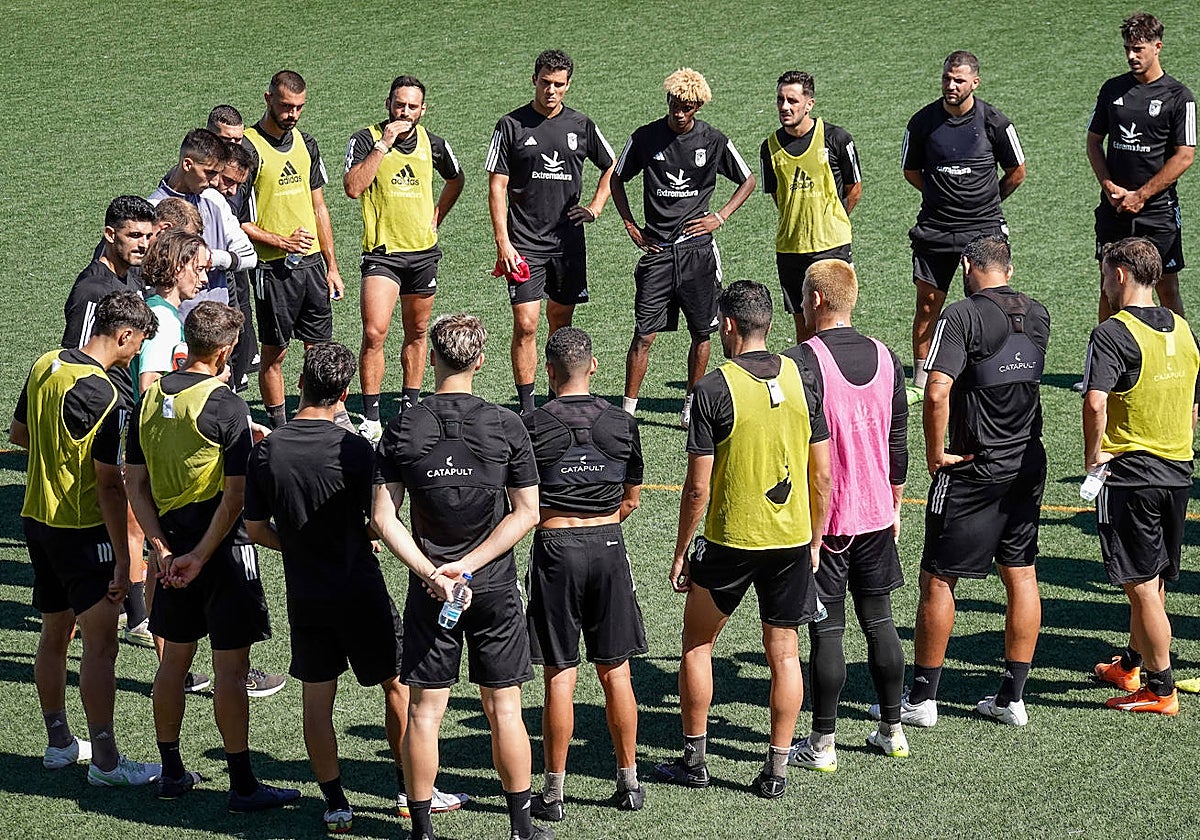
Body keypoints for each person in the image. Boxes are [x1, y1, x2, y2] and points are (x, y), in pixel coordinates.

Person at [244, 342, 466, 832]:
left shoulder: (267, 451)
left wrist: (299, 547)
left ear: (299, 384)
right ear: (344, 392)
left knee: (317, 699)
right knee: (398, 687)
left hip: (306, 593)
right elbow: (378, 523)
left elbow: (257, 529)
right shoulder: (356, 449)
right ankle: (412, 794)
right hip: (360, 588)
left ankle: (335, 803)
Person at [372, 314, 552, 840]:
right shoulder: (506, 424)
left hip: (432, 592)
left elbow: (385, 520)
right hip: (493, 586)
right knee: (504, 709)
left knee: (426, 712)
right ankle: (520, 828)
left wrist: (434, 572)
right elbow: (527, 513)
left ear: (432, 359)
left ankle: (422, 831)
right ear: (479, 360)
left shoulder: (404, 426)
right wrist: (469, 566)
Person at [656, 280, 830, 799]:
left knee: (697, 644)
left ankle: (695, 761)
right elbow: (822, 476)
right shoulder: (804, 377)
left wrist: (683, 547)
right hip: (792, 541)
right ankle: (775, 771)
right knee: (784, 653)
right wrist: (815, 538)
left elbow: (697, 488)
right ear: (769, 323)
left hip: (731, 540)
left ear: (728, 325)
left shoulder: (714, 388)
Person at [125, 301, 300, 810]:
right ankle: (243, 785)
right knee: (230, 671)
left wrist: (161, 549)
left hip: (171, 551)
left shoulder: (151, 395)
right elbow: (235, 499)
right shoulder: (226, 408)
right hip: (220, 556)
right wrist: (200, 555)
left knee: (173, 664)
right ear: (224, 352)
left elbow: (135, 483)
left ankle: (172, 771)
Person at [887, 233, 1047, 729]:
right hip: (1027, 460)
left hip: (973, 467)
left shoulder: (960, 315)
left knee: (938, 576)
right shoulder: (1038, 313)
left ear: (966, 266)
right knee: (1020, 572)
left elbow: (936, 392)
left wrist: (936, 454)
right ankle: (1012, 697)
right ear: (1010, 268)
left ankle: (922, 699)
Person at [12, 290, 162, 786]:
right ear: (124, 334)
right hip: (82, 532)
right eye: (138, 343)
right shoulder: (106, 396)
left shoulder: (45, 364)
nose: (136, 351)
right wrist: (126, 560)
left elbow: (19, 434)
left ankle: (59, 744)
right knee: (100, 648)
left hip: (37, 520)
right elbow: (108, 484)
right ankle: (106, 762)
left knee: (54, 636)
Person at [785, 259, 909, 771]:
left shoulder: (801, 361)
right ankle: (892, 731)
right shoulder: (888, 356)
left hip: (827, 523)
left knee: (828, 632)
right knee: (880, 622)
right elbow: (897, 441)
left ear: (815, 300)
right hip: (878, 514)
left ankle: (823, 743)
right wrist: (895, 504)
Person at [522, 327, 647, 820]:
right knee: (617, 670)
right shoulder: (620, 421)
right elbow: (631, 498)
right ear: (593, 367)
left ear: (548, 373)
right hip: (608, 545)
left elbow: (521, 501)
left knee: (560, 675)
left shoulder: (531, 424)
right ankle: (629, 784)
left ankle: (552, 794)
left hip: (555, 551)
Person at [1082, 237, 1200, 715]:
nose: (1105, 284)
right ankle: (1132, 662)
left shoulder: (1113, 333)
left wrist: (1094, 456)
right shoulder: (1184, 329)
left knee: (1140, 583)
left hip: (1131, 473)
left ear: (1122, 274)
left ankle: (1161, 686)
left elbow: (1095, 401)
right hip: (1178, 468)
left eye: (1106, 274)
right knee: (1153, 578)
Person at [611, 68, 756, 428]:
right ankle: (628, 410)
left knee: (702, 332)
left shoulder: (713, 140)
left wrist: (718, 217)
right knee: (644, 334)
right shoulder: (645, 138)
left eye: (688, 107)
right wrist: (630, 224)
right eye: (675, 105)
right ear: (668, 101)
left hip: (697, 253)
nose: (680, 113)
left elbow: (748, 178)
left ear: (698, 107)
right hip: (657, 253)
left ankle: (691, 405)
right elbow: (616, 177)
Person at [486, 49, 616, 415]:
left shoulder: (581, 125)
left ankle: (555, 399)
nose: (551, 90)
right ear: (534, 80)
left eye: (559, 85)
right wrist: (503, 242)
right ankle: (527, 410)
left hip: (568, 243)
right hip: (523, 244)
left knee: (561, 322)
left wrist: (595, 207)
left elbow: (612, 167)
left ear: (568, 85)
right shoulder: (511, 125)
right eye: (545, 82)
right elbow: (497, 185)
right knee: (526, 324)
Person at [345, 74, 465, 440]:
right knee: (374, 332)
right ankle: (372, 417)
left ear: (423, 109)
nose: (406, 112)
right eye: (400, 104)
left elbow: (456, 179)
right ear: (388, 104)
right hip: (383, 255)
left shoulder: (435, 144)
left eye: (413, 106)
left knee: (416, 333)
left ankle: (410, 407)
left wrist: (437, 216)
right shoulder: (365, 139)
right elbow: (352, 188)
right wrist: (383, 144)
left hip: (423, 254)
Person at [902, 51, 1026, 403]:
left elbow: (1017, 171)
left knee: (990, 303)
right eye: (946, 78)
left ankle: (994, 369)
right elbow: (911, 171)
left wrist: (989, 202)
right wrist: (940, 196)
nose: (951, 85)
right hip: (937, 228)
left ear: (975, 82)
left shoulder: (994, 123)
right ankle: (922, 380)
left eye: (959, 80)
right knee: (928, 304)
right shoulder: (923, 122)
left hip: (983, 228)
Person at [239, 69, 343, 428]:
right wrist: (281, 242)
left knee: (318, 350)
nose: (292, 114)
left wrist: (331, 265)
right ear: (268, 99)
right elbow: (238, 221)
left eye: (298, 107)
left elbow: (319, 207)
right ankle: (282, 427)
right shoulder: (248, 148)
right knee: (275, 352)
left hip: (312, 265)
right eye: (285, 106)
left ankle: (316, 419)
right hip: (272, 269)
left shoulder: (306, 143)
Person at [1087, 13, 1195, 322]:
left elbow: (1184, 155)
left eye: (1139, 49)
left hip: (1157, 211)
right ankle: (1106, 361)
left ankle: (1182, 361)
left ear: (1157, 46)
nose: (1131, 56)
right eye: (1127, 49)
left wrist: (1142, 195)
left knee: (1166, 287)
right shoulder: (1112, 90)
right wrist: (1108, 185)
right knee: (1109, 286)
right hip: (1115, 207)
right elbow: (1094, 141)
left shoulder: (1179, 96)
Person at [759, 71, 863, 343]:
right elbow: (778, 197)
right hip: (791, 249)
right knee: (804, 325)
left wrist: (831, 219)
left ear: (809, 103)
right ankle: (811, 383)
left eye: (792, 100)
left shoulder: (837, 139)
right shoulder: (768, 147)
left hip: (831, 246)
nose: (784, 106)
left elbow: (854, 190)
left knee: (836, 322)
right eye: (780, 99)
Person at [149, 128, 258, 316]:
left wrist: (211, 258)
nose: (215, 182)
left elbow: (250, 257)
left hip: (219, 320)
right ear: (187, 164)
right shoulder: (152, 209)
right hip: (176, 323)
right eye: (209, 173)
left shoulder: (214, 200)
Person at [65, 195, 156, 408]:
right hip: (105, 408)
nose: (143, 245)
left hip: (128, 401)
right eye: (134, 235)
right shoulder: (93, 289)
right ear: (110, 235)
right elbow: (77, 360)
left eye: (147, 236)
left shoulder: (133, 277)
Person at [136, 229, 209, 395]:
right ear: (178, 268)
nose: (205, 279)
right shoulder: (162, 318)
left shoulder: (158, 309)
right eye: (199, 269)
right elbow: (149, 386)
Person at [214, 142, 262, 393]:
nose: (232, 191)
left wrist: (212, 258)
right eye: (227, 181)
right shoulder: (192, 199)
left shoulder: (224, 202)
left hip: (227, 288)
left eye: (238, 185)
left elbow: (248, 256)